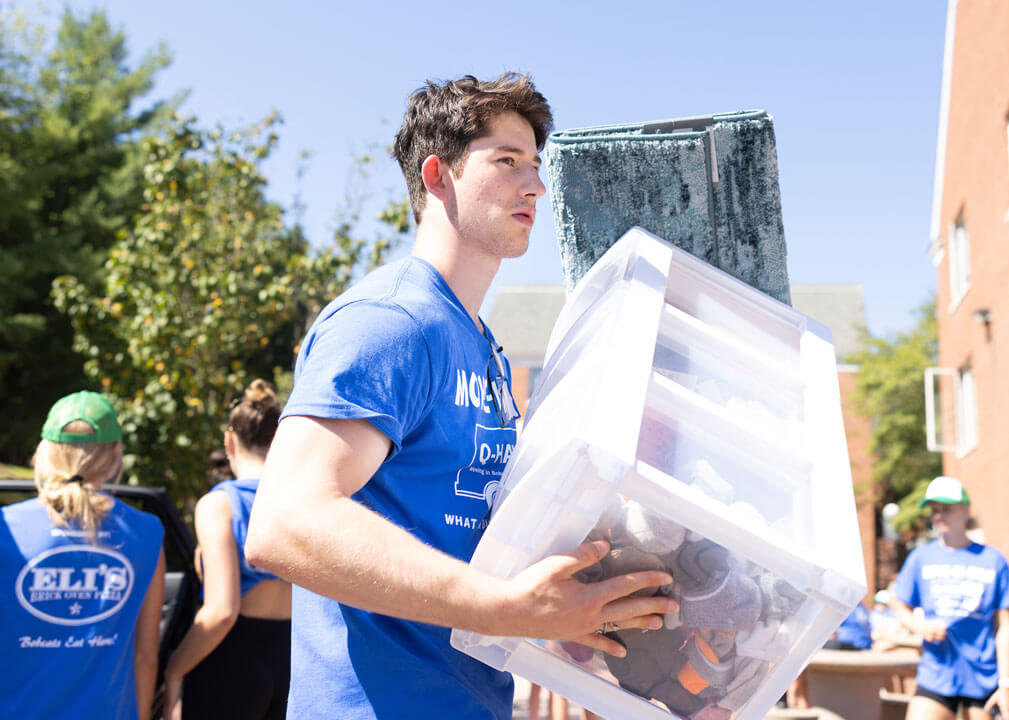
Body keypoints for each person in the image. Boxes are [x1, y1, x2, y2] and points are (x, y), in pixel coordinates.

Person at [244, 73, 675, 720]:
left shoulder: (483, 348)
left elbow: (469, 547)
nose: (535, 184)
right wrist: (501, 605)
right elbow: (285, 523)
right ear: (439, 174)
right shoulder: (391, 323)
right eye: (506, 161)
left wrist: (562, 603)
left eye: (535, 165)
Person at [0, 391, 166, 719]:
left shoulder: (6, 527)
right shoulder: (146, 532)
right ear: (116, 452)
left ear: (44, 451)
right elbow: (145, 655)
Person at [163, 379, 290, 719]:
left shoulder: (221, 504)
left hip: (231, 663)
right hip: (291, 662)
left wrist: (174, 670)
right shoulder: (300, 501)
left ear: (229, 441)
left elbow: (222, 611)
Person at [889, 476, 1009, 720]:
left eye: (946, 509)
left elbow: (1004, 626)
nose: (939, 515)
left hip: (983, 676)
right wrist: (920, 626)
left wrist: (1006, 683)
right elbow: (898, 604)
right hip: (937, 673)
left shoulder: (992, 559)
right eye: (934, 510)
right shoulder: (922, 557)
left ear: (965, 510)